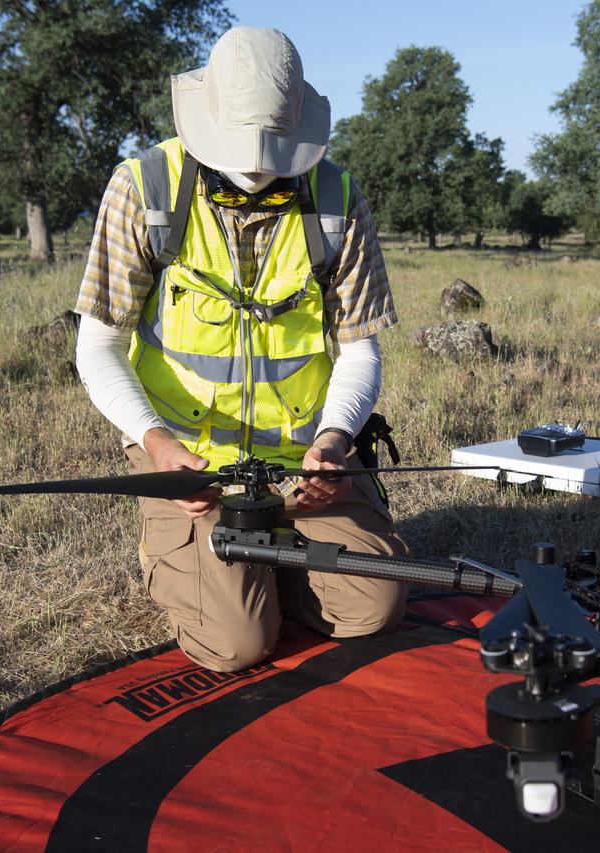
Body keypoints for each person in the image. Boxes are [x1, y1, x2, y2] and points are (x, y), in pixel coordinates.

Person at [73, 27, 407, 672]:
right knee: (237, 647)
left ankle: (273, 552)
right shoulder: (141, 188)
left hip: (306, 461)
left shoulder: (337, 198)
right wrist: (159, 447)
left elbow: (360, 350)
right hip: (189, 465)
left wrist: (334, 441)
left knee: (373, 609)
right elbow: (99, 346)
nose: (258, 165)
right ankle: (184, 552)